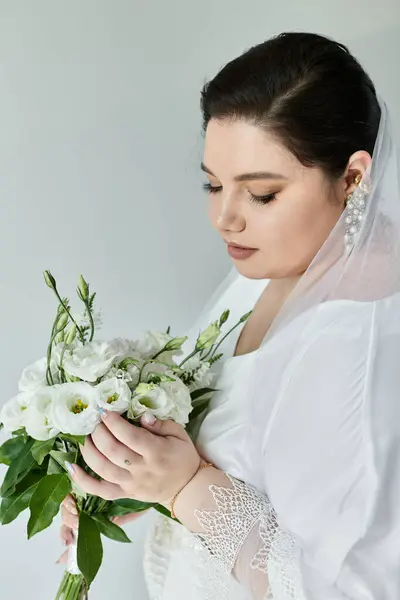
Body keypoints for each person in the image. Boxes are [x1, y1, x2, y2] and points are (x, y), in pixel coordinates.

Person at [60, 32, 400, 599]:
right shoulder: (280, 266)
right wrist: (127, 479)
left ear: (353, 177)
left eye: (261, 194)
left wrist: (183, 487)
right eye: (212, 184)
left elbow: (343, 589)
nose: (224, 218)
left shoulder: (360, 350)